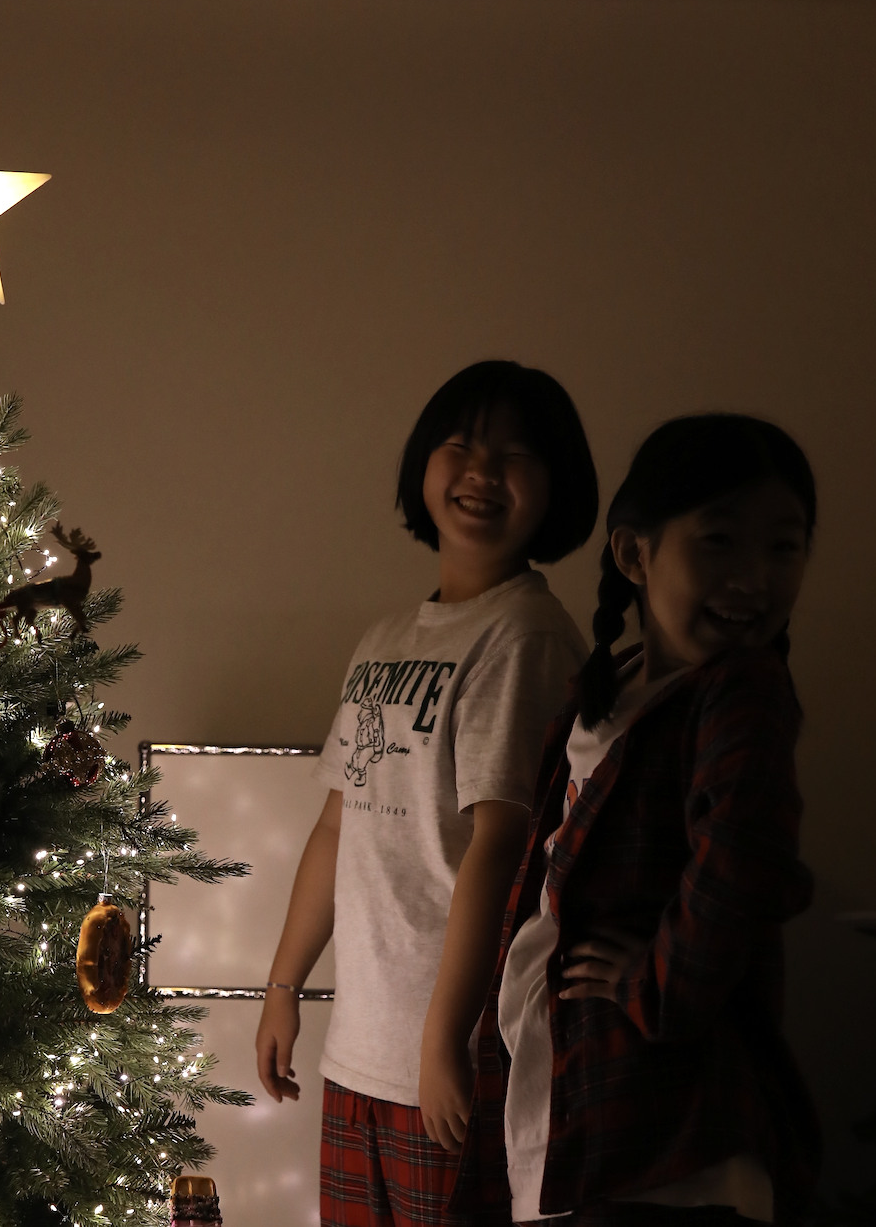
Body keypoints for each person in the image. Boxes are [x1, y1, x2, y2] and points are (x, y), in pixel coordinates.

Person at [255, 360, 600, 1227]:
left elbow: (502, 844)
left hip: (449, 1059)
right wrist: (284, 985)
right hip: (361, 1055)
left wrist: (449, 1041)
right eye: (462, 445)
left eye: (515, 454)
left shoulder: (525, 636)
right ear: (424, 464)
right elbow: (337, 825)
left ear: (555, 486)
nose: (483, 471)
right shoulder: (387, 638)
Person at [455, 414, 822, 1227]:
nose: (753, 578)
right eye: (719, 541)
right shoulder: (611, 691)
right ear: (633, 554)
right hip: (572, 1113)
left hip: (664, 1138)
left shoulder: (742, 692)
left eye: (783, 547)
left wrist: (654, 986)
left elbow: (743, 861)